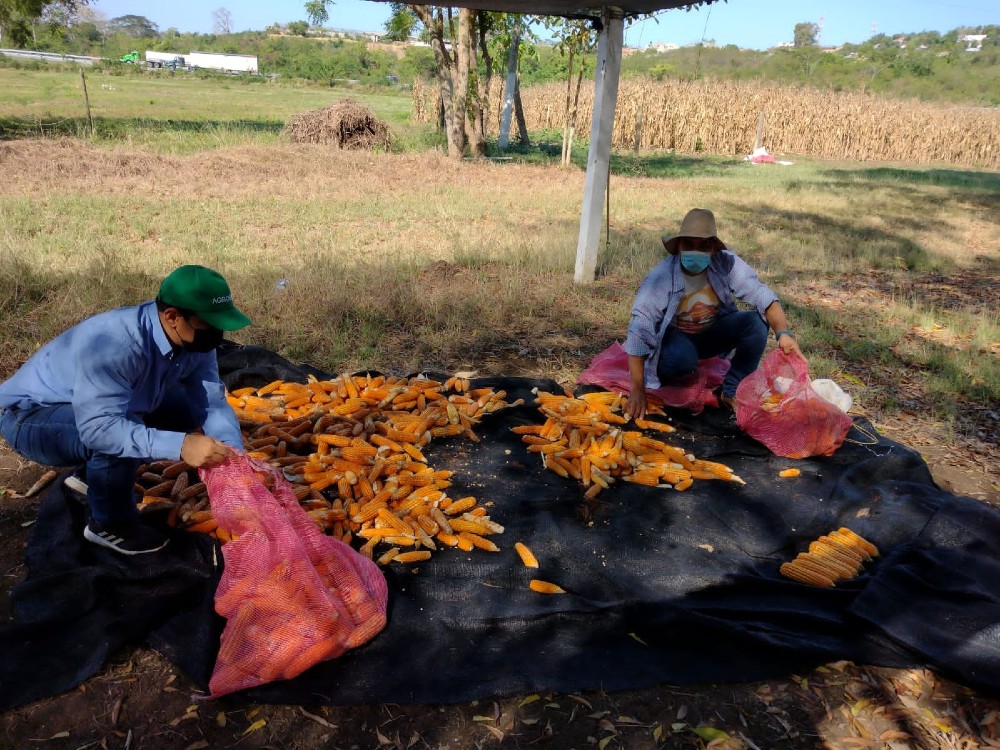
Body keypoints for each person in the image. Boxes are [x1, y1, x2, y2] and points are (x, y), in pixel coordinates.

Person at [0, 265, 251, 555]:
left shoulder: (195, 342)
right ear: (172, 317)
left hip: (93, 406)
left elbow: (210, 400)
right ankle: (110, 525)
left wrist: (235, 457)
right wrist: (180, 445)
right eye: (209, 327)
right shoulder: (116, 345)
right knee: (118, 432)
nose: (216, 336)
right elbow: (100, 429)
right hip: (31, 417)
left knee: (184, 410)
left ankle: (91, 477)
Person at [624, 208, 801, 420]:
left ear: (713, 248)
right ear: (678, 246)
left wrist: (783, 333)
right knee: (681, 360)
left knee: (755, 323)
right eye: (689, 244)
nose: (696, 251)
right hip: (676, 339)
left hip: (712, 333)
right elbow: (640, 328)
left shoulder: (726, 263)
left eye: (703, 245)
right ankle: (671, 372)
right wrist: (637, 389)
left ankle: (731, 390)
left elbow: (762, 295)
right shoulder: (661, 278)